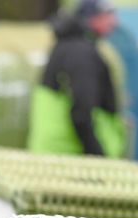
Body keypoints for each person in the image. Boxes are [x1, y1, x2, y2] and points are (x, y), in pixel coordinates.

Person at [28, 0, 125, 158]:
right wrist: (97, 154)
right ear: (92, 18)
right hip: (69, 156)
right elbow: (81, 112)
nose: (114, 22)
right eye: (107, 15)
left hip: (55, 153)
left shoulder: (67, 45)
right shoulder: (82, 54)